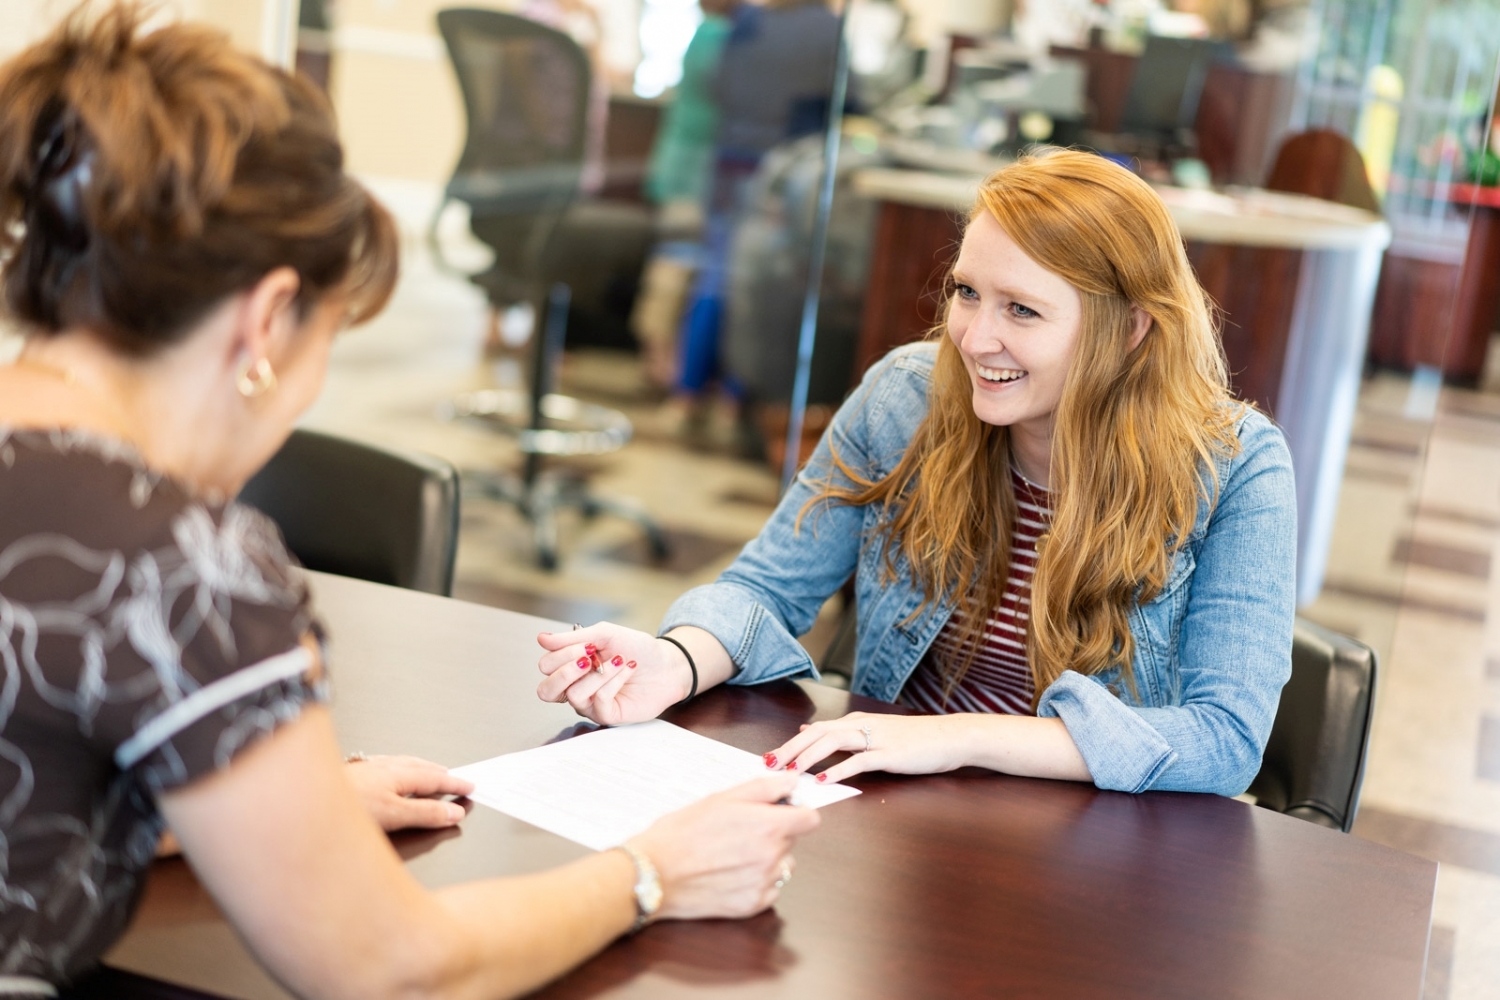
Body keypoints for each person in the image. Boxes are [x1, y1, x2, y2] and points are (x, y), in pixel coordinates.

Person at [0, 7, 817, 997]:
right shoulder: (179, 565)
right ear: (265, 323)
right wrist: (652, 870)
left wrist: (292, 807)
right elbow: (392, 970)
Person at [539, 148, 1298, 798]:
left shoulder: (1239, 468)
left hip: (1088, 846)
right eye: (968, 292)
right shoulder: (905, 396)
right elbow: (766, 588)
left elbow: (1222, 741)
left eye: (1022, 311)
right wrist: (675, 661)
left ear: (1130, 331)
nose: (974, 337)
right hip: (900, 806)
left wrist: (960, 738)